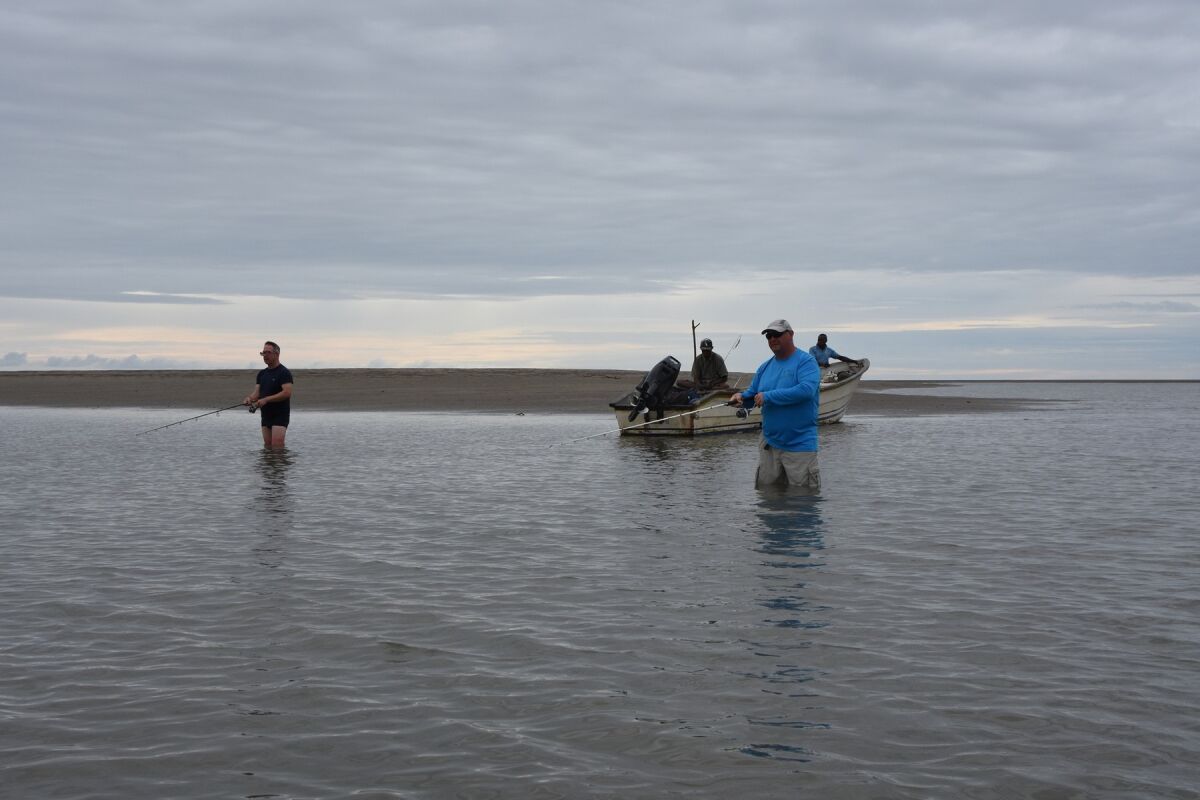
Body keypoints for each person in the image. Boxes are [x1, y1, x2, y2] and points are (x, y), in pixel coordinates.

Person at [730, 319, 821, 493]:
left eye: (777, 334)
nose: (772, 339)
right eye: (769, 336)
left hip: (800, 446)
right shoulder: (764, 367)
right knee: (767, 499)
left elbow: (806, 391)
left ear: (791, 334)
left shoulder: (806, 362)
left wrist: (768, 396)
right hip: (769, 445)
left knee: (803, 501)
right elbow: (752, 394)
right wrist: (740, 397)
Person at [244, 340, 293, 448]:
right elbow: (257, 393)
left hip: (280, 414)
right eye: (263, 353)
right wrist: (249, 399)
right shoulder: (262, 374)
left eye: (268, 352)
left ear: (277, 354)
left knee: (277, 447)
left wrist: (266, 399)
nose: (265, 355)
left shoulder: (284, 372)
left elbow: (287, 393)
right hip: (266, 415)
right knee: (268, 447)